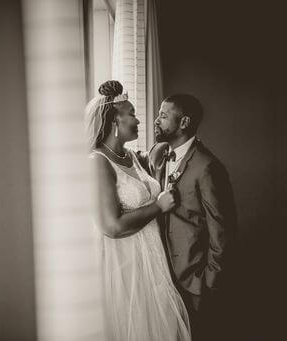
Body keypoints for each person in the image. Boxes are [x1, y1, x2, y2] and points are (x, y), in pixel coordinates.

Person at [85, 80, 191, 341]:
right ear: (114, 121)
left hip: (151, 258)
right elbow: (112, 226)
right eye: (131, 113)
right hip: (124, 265)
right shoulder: (97, 162)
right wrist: (158, 206)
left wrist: (157, 153)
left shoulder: (130, 156)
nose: (138, 120)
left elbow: (140, 175)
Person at [149, 94, 237, 341]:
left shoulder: (207, 167)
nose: (157, 120)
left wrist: (209, 282)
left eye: (164, 116)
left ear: (184, 122)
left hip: (196, 283)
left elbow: (223, 231)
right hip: (164, 279)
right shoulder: (160, 154)